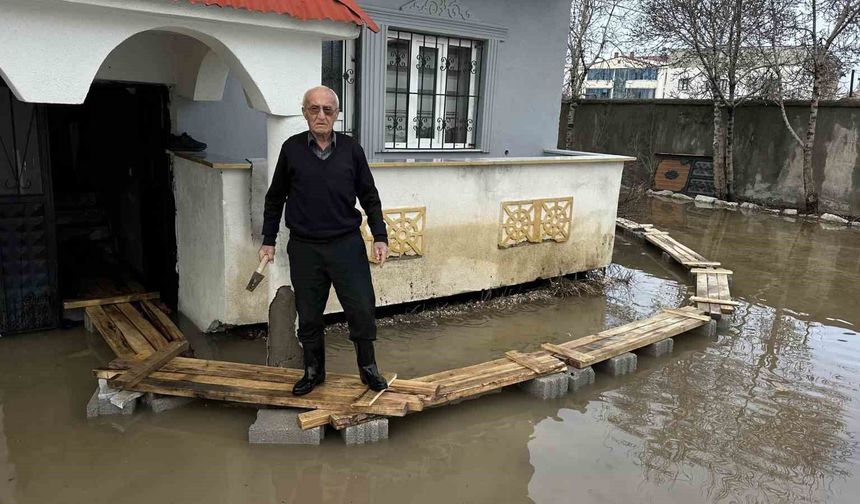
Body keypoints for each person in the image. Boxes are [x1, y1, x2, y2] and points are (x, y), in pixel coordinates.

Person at [259, 86, 390, 396]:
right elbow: (275, 198)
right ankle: (313, 371)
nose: (321, 115)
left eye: (327, 110)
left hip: (346, 244)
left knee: (361, 307)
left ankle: (368, 369)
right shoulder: (291, 149)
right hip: (305, 247)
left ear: (336, 115)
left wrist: (379, 235)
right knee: (309, 313)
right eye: (314, 109)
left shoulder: (351, 149)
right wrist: (268, 239)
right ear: (305, 112)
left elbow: (369, 196)